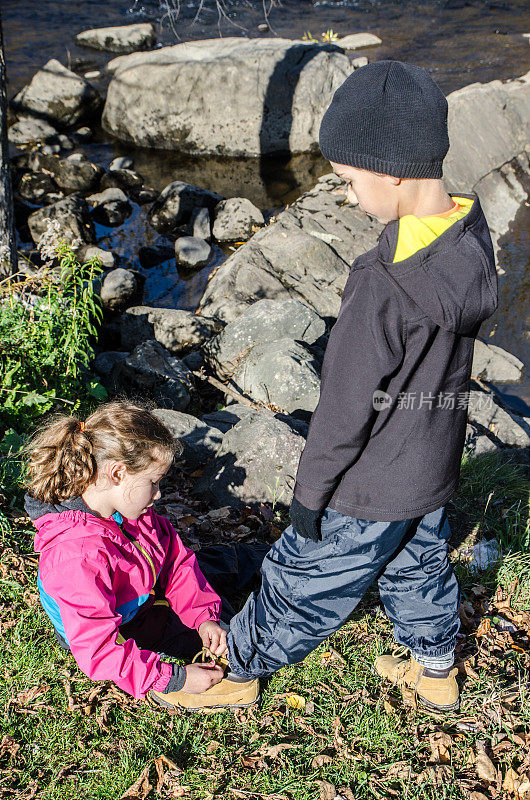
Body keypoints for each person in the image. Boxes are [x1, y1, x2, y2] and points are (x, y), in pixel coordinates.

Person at [158, 60, 498, 713]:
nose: (346, 195)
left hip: (369, 482)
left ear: (391, 170)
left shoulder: (382, 283)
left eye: (347, 179)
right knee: (418, 563)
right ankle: (434, 672)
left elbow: (344, 410)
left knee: (303, 577)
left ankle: (242, 672)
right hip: (430, 463)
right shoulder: (469, 235)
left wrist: (311, 497)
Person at [24, 401, 259, 711]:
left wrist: (204, 618)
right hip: (122, 626)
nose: (158, 493)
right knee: (221, 655)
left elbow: (175, 562)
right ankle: (169, 680)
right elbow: (99, 649)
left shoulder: (128, 509)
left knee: (219, 574)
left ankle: (273, 562)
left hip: (142, 593)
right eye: (153, 482)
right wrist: (176, 679)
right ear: (118, 473)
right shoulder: (76, 557)